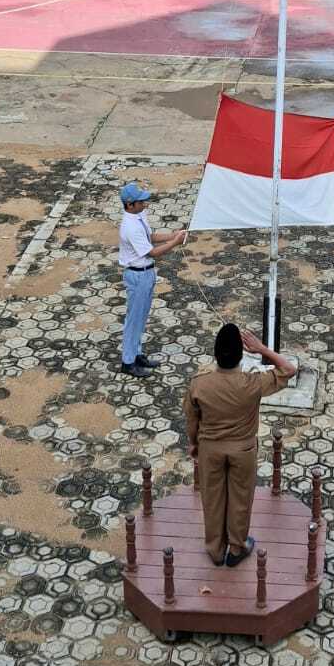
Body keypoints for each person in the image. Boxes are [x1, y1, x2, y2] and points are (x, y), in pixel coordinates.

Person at [184, 324, 296, 566]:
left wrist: (193, 444)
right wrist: (262, 349)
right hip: (243, 450)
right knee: (241, 498)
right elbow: (288, 370)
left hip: (210, 449)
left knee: (212, 498)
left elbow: (192, 421)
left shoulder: (199, 384)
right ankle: (237, 546)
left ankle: (214, 549)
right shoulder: (252, 383)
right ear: (241, 356)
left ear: (215, 355)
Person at [117, 181, 185, 377]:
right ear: (130, 204)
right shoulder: (130, 226)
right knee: (134, 319)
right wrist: (175, 242)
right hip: (137, 275)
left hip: (146, 274)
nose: (145, 203)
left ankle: (137, 354)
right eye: (140, 201)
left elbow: (151, 236)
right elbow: (152, 252)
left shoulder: (138, 216)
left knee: (141, 317)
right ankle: (128, 362)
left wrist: (172, 235)